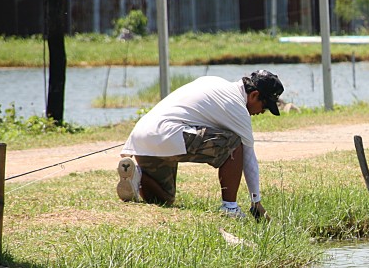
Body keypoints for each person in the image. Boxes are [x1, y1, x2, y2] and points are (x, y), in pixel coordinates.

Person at [116, 69, 284, 219]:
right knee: (234, 142)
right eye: (265, 106)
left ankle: (136, 177)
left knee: (164, 199)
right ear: (254, 95)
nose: (262, 112)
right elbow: (248, 158)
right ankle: (230, 208)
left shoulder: (214, 81)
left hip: (141, 137)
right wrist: (256, 202)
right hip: (168, 135)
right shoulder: (237, 107)